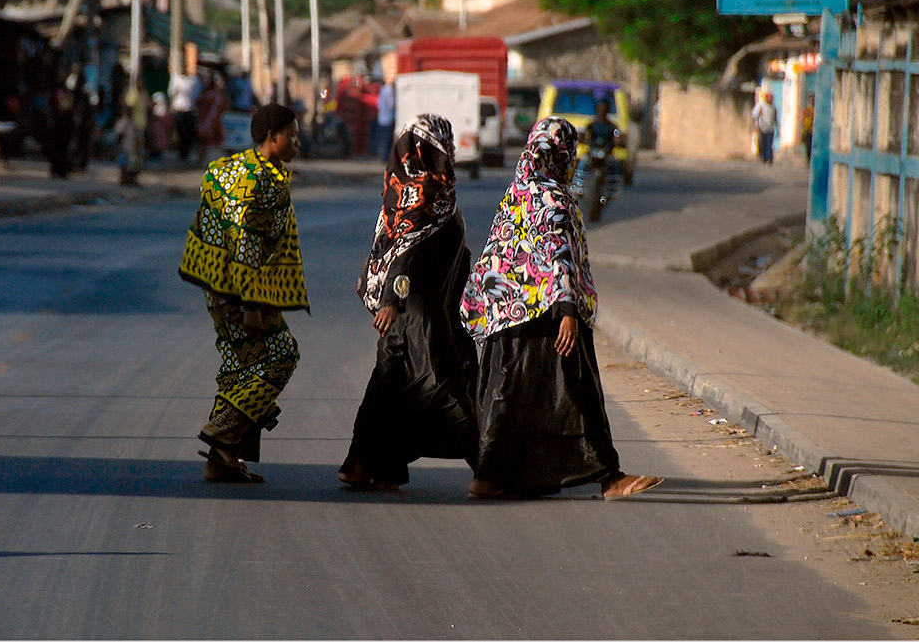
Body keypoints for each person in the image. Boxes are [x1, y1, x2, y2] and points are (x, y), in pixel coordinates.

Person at [460, 117, 664, 500]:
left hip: (506, 318)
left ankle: (489, 476)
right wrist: (568, 310)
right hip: (549, 316)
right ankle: (609, 478)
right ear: (564, 155)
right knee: (578, 393)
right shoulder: (553, 197)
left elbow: (497, 258)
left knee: (511, 398)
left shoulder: (516, 194)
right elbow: (559, 255)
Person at [338, 115, 479, 491]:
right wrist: (392, 300)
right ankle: (493, 466)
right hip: (415, 312)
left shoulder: (398, 186)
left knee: (385, 385)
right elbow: (405, 250)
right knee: (443, 383)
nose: (448, 154)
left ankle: (368, 464)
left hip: (402, 312)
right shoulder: (427, 190)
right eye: (442, 147)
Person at [178, 103, 308, 483]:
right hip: (237, 292)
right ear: (272, 138)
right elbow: (248, 244)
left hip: (214, 281)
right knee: (282, 355)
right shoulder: (259, 182)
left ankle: (221, 461)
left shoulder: (240, 167)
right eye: (292, 135)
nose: (297, 142)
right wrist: (252, 305)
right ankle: (221, 437)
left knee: (243, 365)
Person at [751, 90, 777, 165]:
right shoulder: (761, 105)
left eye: (771, 98)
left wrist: (777, 128)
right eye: (769, 98)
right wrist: (757, 125)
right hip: (762, 128)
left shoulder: (773, 107)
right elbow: (755, 115)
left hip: (770, 128)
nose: (771, 100)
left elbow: (775, 118)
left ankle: (768, 159)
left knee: (769, 144)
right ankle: (763, 157)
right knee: (762, 143)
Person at [374, 80, 395, 160]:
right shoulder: (389, 90)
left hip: (382, 118)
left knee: (382, 138)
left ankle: (382, 155)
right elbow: (391, 103)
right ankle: (385, 157)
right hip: (388, 118)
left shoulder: (383, 89)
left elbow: (378, 104)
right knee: (387, 139)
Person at [801, 95, 815, 163]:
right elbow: (805, 121)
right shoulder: (807, 111)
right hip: (808, 131)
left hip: (814, 132)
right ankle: (808, 160)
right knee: (808, 147)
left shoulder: (817, 111)